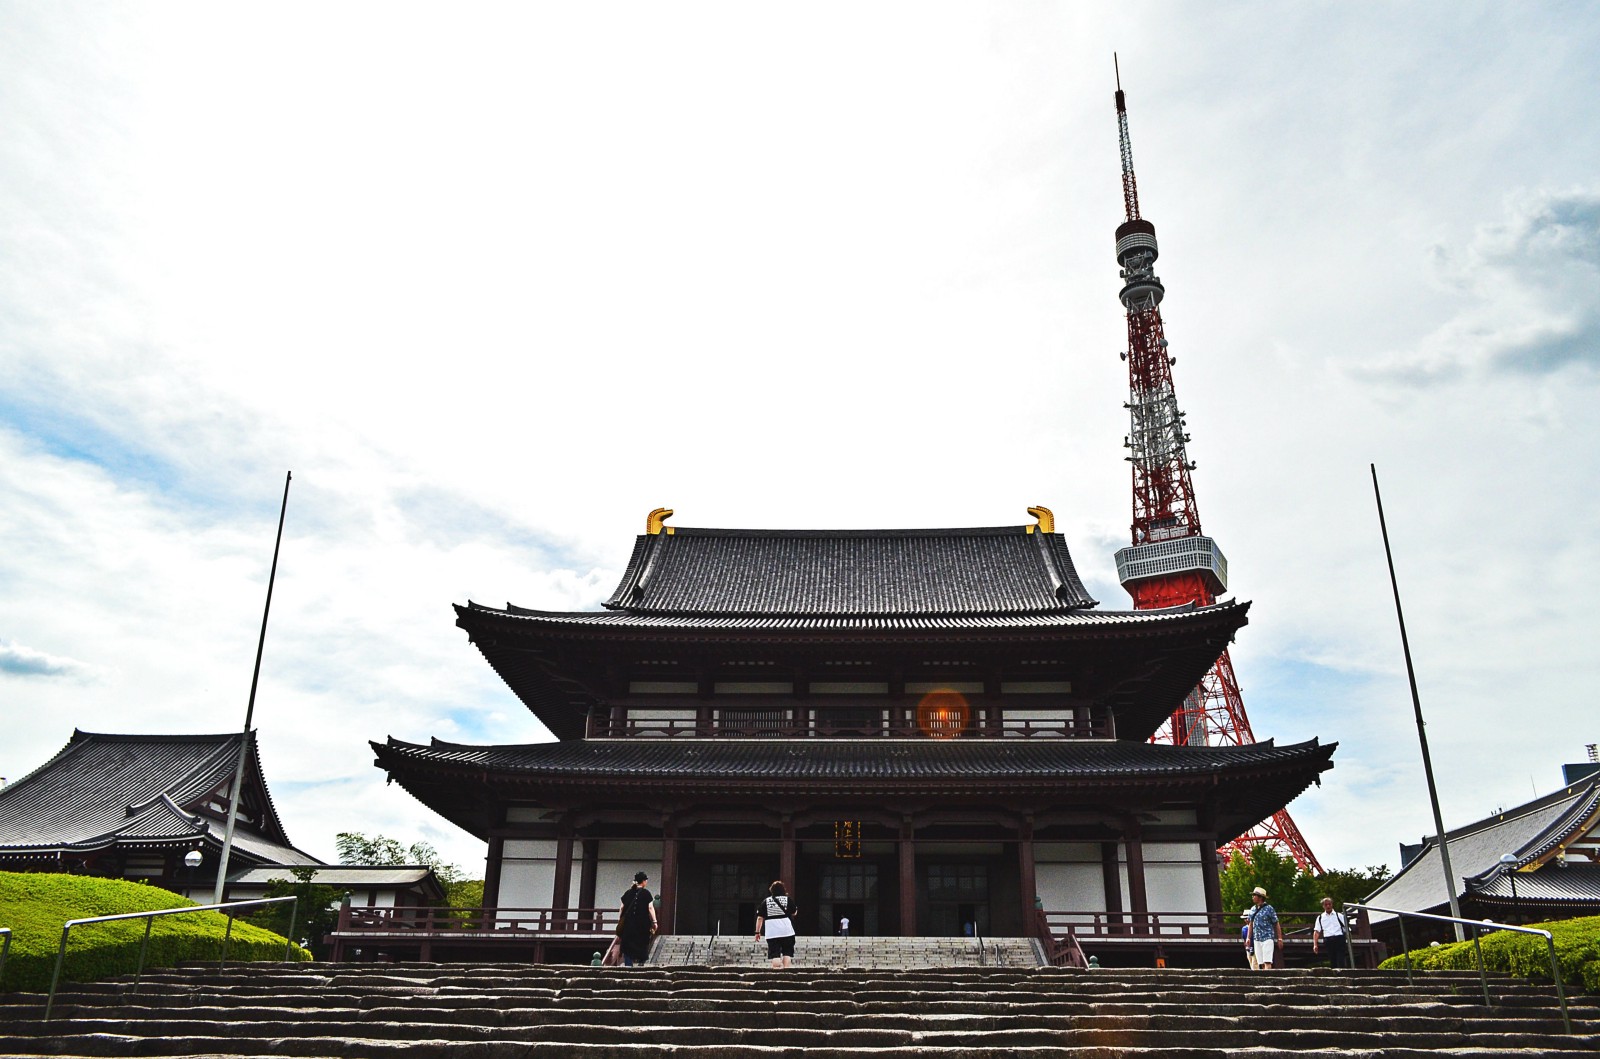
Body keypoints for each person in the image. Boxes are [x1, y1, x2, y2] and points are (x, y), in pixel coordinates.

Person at [617, 870, 658, 967]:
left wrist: (620, 920)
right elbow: (650, 908)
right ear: (643, 881)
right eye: (646, 880)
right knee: (642, 942)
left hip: (628, 924)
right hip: (642, 923)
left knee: (627, 944)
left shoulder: (628, 893)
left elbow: (622, 907)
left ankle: (628, 965)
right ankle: (641, 964)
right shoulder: (646, 893)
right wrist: (655, 921)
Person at [755, 880, 796, 969]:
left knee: (775, 953)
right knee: (787, 952)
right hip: (786, 930)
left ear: (771, 890)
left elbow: (759, 918)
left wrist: (757, 932)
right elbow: (794, 912)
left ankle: (777, 970)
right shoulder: (787, 899)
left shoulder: (766, 901)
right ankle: (786, 970)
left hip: (772, 931)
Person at [1247, 885, 1283, 970]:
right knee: (1261, 962)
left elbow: (1276, 923)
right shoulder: (1252, 909)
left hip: (1267, 937)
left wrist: (1279, 938)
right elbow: (1251, 924)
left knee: (1267, 961)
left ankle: (1268, 979)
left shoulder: (1269, 909)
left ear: (1260, 897)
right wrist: (1248, 937)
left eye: (1254, 895)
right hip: (1257, 938)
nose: (1253, 897)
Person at [1312, 896, 1348, 967]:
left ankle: (1343, 973)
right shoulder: (1320, 917)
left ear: (1332, 904)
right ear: (1323, 906)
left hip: (1339, 937)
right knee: (1332, 958)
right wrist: (1315, 944)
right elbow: (1317, 931)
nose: (1328, 906)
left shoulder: (1339, 915)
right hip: (1328, 939)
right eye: (1326, 904)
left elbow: (1347, 928)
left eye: (1329, 904)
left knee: (1341, 957)